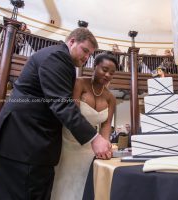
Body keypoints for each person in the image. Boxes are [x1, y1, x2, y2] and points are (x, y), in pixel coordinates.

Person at [0, 27, 111, 199]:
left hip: (30, 143)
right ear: (72, 41)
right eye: (85, 50)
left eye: (90, 54)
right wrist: (94, 137)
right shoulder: (57, 57)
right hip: (23, 143)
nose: (86, 57)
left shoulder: (59, 59)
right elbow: (61, 103)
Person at [51, 52, 117, 200]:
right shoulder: (79, 83)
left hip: (91, 148)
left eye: (111, 73)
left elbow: (106, 126)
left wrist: (105, 144)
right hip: (69, 142)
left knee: (84, 185)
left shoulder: (111, 98)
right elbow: (72, 113)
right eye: (104, 69)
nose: (107, 75)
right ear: (95, 66)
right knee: (64, 184)